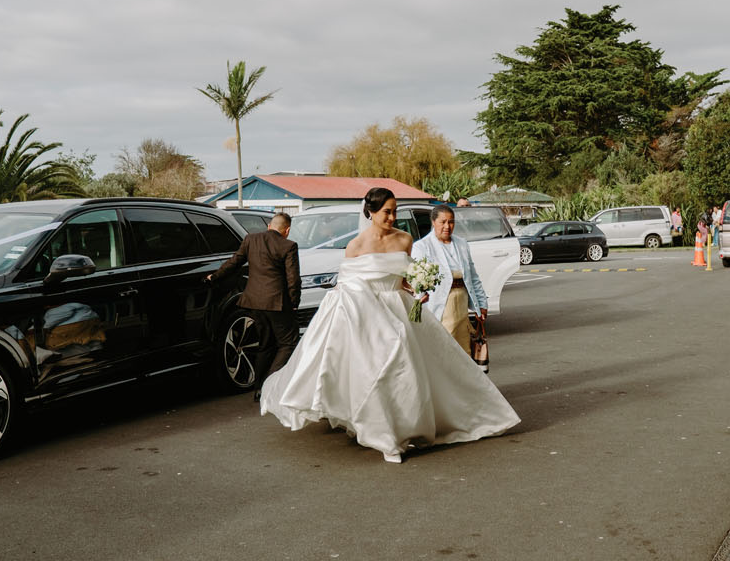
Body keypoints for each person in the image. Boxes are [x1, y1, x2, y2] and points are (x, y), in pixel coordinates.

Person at [258, 187, 519, 463]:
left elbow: (404, 279)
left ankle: (403, 426)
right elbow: (347, 286)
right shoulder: (356, 246)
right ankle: (384, 433)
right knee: (382, 365)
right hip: (367, 311)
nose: (392, 217)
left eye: (394, 211)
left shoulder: (405, 239)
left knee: (408, 366)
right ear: (370, 212)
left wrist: (418, 286)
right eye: (387, 212)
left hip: (399, 306)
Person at [207, 211, 300, 400]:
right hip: (277, 302)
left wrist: (214, 277)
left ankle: (258, 388)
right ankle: (270, 385)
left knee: (265, 344)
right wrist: (294, 302)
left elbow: (234, 262)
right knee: (288, 343)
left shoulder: (251, 239)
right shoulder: (288, 245)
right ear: (287, 230)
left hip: (254, 301)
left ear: (269, 226)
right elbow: (293, 278)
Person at [412, 204, 488, 353]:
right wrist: (420, 299)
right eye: (443, 222)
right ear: (433, 222)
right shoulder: (422, 246)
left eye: (451, 222)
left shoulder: (461, 243)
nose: (447, 226)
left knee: (463, 347)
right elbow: (417, 281)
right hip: (440, 304)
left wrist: (481, 303)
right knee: (444, 347)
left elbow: (473, 277)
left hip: (461, 301)